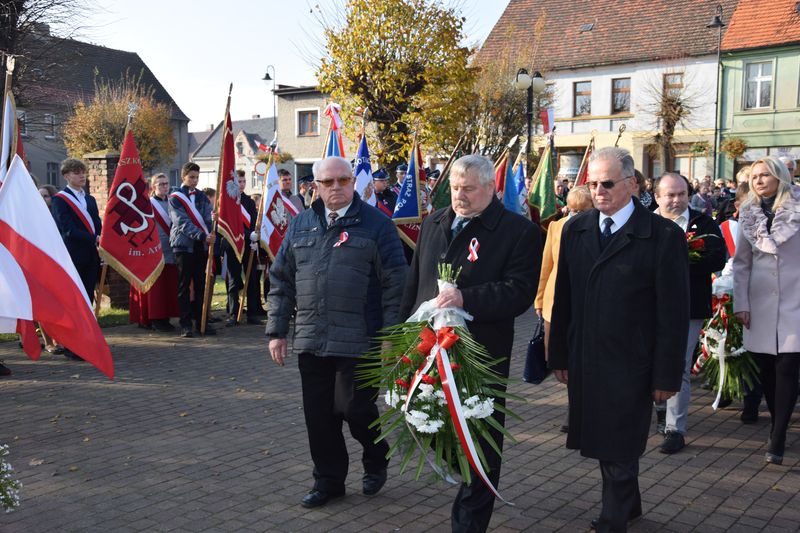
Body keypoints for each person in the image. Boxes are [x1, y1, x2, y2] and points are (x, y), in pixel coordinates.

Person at [549, 147, 688, 532]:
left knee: (620, 441)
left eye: (607, 183)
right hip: (586, 357)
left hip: (633, 360)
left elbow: (673, 314)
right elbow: (564, 299)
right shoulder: (576, 229)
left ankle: (614, 519)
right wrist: (558, 352)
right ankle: (630, 503)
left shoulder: (662, 236)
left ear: (632, 184)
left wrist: (666, 376)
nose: (598, 191)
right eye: (591, 183)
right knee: (602, 436)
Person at [399, 154, 541, 533]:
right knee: (432, 426)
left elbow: (519, 292)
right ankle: (462, 476)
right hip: (427, 351)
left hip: (480, 356)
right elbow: (414, 285)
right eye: (456, 188)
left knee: (481, 436)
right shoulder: (434, 222)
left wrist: (467, 298)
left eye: (469, 189)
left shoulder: (517, 231)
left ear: (491, 189)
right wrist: (400, 337)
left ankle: (470, 519)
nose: (460, 195)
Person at [267, 156, 407, 509]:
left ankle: (376, 456)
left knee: (354, 408)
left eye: (343, 180)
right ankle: (328, 481)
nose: (336, 188)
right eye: (327, 182)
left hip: (360, 339)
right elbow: (281, 281)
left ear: (353, 182)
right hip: (312, 338)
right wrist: (277, 331)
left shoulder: (377, 225)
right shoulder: (300, 226)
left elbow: (396, 284)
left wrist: (392, 335)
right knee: (319, 417)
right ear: (315, 186)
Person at [733, 156, 800, 465]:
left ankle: (779, 435)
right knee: (768, 369)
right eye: (754, 176)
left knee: (788, 366)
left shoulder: (798, 207)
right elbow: (742, 263)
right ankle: (777, 422)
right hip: (760, 301)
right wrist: (741, 304)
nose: (757, 181)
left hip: (794, 299)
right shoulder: (747, 213)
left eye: (764, 175)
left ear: (779, 176)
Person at [652, 173, 726, 453]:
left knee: (679, 365)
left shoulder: (703, 223)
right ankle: (660, 408)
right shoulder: (645, 222)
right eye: (670, 195)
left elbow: (718, 257)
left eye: (681, 194)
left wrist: (679, 261)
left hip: (688, 306)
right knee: (647, 360)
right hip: (646, 306)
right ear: (657, 196)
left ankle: (674, 429)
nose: (676, 200)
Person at [51, 158, 102, 361]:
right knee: (73, 300)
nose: (81, 175)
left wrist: (101, 237)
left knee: (87, 296)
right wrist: (94, 237)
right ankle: (72, 345)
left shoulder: (89, 199)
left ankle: (85, 341)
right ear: (66, 176)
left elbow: (96, 222)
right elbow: (68, 230)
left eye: (83, 172)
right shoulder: (60, 200)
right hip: (73, 254)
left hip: (91, 254)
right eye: (76, 172)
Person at [169, 162, 216, 338]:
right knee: (184, 286)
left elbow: (206, 216)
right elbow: (181, 222)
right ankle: (185, 324)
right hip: (183, 245)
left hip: (200, 246)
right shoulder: (175, 197)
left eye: (197, 177)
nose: (194, 180)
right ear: (183, 177)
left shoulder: (202, 196)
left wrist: (211, 230)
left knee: (200, 284)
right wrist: (202, 235)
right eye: (191, 177)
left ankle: (201, 322)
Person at [128, 173, 180, 332]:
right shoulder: (147, 205)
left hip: (171, 250)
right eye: (161, 184)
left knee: (168, 287)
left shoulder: (173, 202)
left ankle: (166, 317)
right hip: (154, 251)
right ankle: (156, 318)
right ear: (153, 187)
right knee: (156, 289)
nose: (165, 187)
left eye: (166, 184)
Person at [223, 170, 263, 326]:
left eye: (244, 181)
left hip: (248, 244)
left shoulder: (249, 201)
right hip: (232, 244)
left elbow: (253, 221)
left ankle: (252, 313)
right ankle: (233, 313)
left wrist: (254, 236)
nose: (242, 184)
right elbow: (228, 225)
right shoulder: (228, 201)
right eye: (239, 181)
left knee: (251, 278)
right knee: (233, 279)